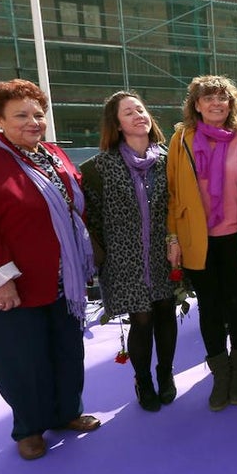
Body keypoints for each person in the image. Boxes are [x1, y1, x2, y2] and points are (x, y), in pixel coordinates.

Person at [0, 78, 100, 461]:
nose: (33, 121)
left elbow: (74, 209)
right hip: (11, 288)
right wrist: (0, 282)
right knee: (23, 360)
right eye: (21, 115)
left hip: (62, 280)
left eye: (38, 113)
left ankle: (66, 412)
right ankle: (29, 428)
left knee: (66, 351)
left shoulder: (54, 155)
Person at [167, 75, 237, 411]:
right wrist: (173, 238)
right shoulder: (181, 141)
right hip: (199, 241)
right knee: (209, 308)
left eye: (222, 98)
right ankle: (219, 374)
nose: (215, 104)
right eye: (208, 98)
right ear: (196, 105)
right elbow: (173, 194)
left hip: (236, 240)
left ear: (232, 104)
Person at [81, 92, 177, 413]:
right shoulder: (99, 167)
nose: (138, 115)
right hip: (124, 259)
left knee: (165, 310)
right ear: (117, 124)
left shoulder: (169, 159)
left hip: (164, 253)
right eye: (128, 112)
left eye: (141, 109)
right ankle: (143, 379)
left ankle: (165, 374)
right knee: (142, 318)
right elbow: (91, 215)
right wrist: (106, 253)